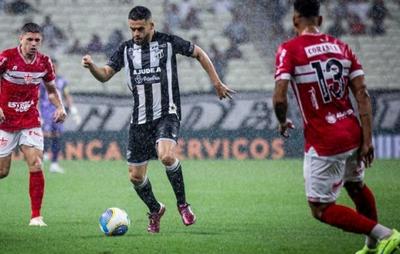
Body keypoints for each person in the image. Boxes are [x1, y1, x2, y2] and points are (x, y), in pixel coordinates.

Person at [81, 6, 235, 234]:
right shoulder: (125, 49)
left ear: (151, 26)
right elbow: (105, 75)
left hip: (167, 113)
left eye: (140, 29)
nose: (136, 33)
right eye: (132, 29)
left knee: (166, 155)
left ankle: (183, 204)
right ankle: (155, 209)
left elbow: (199, 53)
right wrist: (92, 67)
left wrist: (216, 82)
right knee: (135, 177)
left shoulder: (168, 42)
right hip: (140, 120)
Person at [272, 1, 400, 254]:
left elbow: (279, 97)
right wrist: (367, 139)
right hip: (352, 132)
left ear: (295, 19)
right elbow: (362, 94)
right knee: (356, 185)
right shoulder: (342, 47)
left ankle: (385, 234)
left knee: (320, 208)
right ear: (319, 20)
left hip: (325, 140)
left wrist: (281, 120)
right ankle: (373, 246)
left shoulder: (289, 49)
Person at [0, 23, 67, 226]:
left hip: (30, 121)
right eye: (29, 39)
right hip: (5, 122)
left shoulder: (44, 62)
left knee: (36, 163)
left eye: (37, 40)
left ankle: (36, 216)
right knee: (2, 172)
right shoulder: (6, 57)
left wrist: (60, 107)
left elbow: (52, 90)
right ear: (21, 38)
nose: (33, 43)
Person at [39, 58, 80, 174]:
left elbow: (67, 96)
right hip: (45, 111)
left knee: (56, 135)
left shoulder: (62, 81)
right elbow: (37, 97)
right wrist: (37, 113)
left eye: (54, 66)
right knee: (45, 134)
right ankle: (41, 159)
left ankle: (54, 164)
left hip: (58, 111)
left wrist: (73, 110)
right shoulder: (42, 81)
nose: (53, 68)